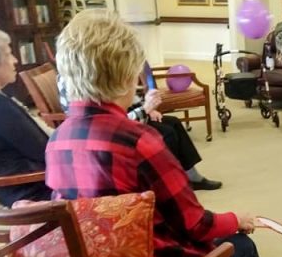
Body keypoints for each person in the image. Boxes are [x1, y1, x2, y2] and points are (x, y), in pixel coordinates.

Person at [46, 9, 282, 257]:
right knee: (240, 245)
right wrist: (236, 219)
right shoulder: (140, 142)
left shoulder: (57, 139)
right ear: (127, 75)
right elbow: (194, 225)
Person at [56, 67, 221, 191]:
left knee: (173, 123)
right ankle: (168, 184)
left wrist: (148, 109)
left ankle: (192, 176)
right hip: (107, 131)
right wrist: (144, 110)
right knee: (166, 133)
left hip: (122, 118)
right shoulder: (79, 83)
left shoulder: (101, 72)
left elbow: (125, 102)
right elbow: (109, 123)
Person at [0, 26, 51, 206]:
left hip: (17, 186)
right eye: (8, 54)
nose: (15, 60)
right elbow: (43, 149)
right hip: (29, 188)